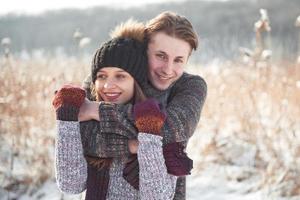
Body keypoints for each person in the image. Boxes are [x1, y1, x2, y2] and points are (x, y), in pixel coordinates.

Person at [78, 11, 207, 200]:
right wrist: (133, 145)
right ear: (144, 50)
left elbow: (170, 128)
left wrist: (98, 111)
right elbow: (85, 138)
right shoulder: (108, 80)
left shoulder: (191, 86)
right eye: (161, 56)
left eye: (178, 60)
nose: (168, 69)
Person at [53, 28, 184, 199]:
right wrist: (67, 119)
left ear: (136, 82)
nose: (108, 86)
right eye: (102, 76)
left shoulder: (160, 123)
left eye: (120, 76)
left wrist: (148, 135)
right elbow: (70, 184)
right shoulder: (89, 124)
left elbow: (157, 196)